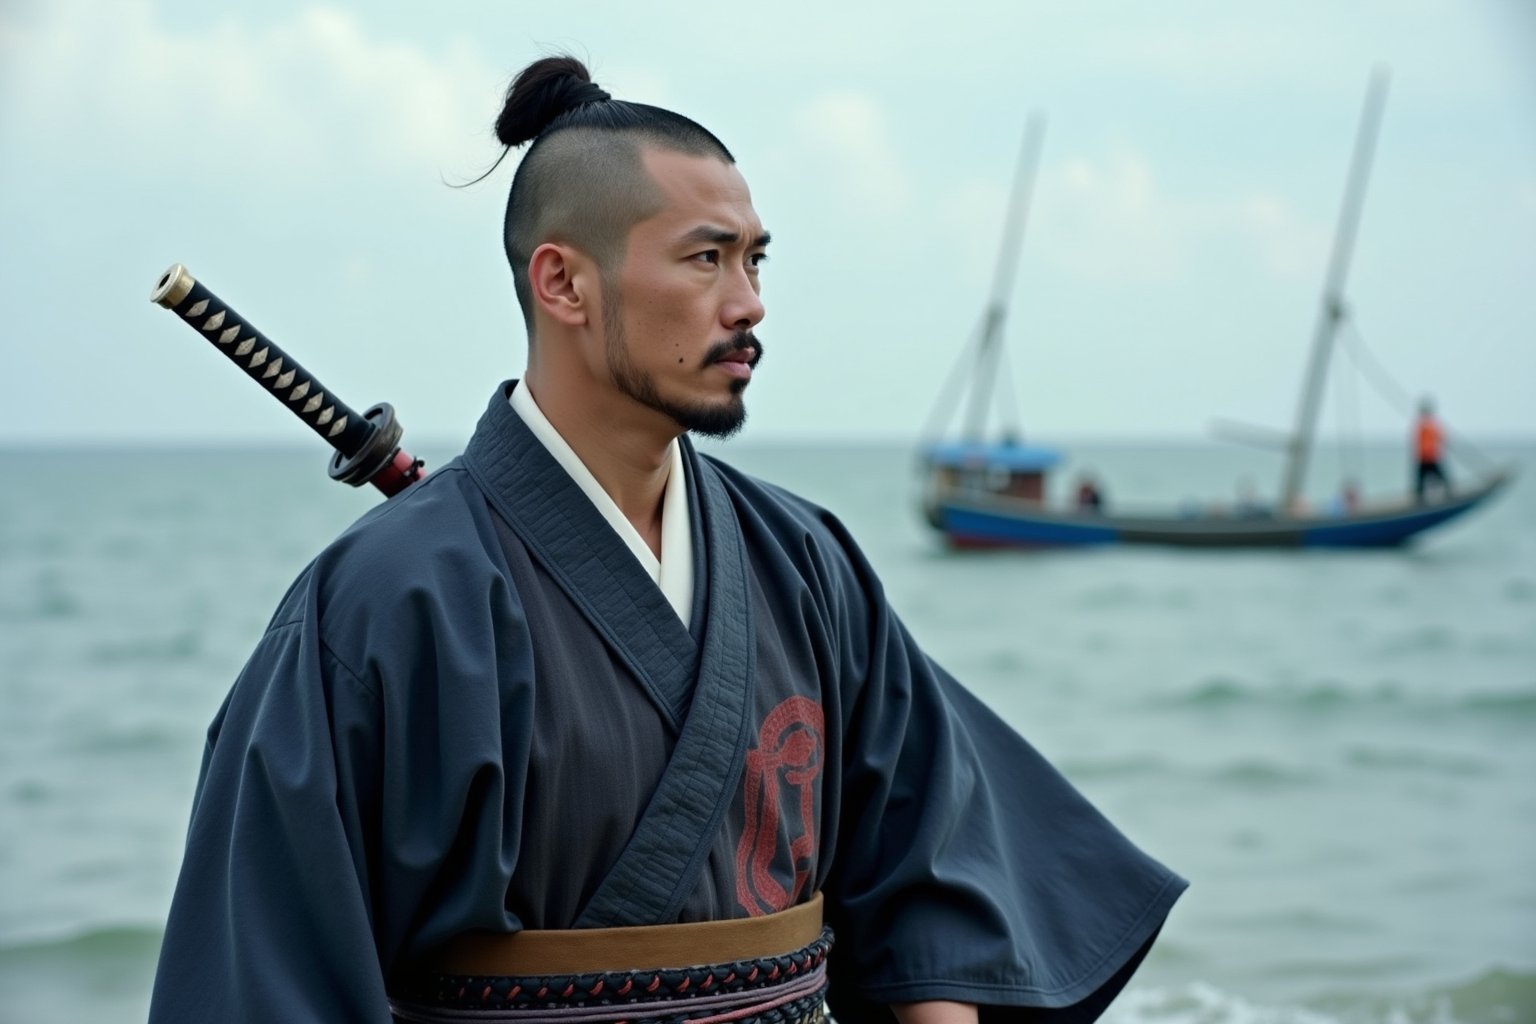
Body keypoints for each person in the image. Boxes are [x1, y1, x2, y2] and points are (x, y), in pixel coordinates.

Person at [148, 56, 1185, 1024]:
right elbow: (263, 975)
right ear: (563, 283)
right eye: (706, 260)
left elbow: (935, 880)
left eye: (754, 258)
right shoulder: (381, 607)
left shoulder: (803, 561)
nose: (750, 305)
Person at [1413, 398, 1451, 502]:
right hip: (1423, 457)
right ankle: (1419, 498)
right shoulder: (1421, 425)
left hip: (1431, 457)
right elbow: (1416, 441)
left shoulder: (1432, 425)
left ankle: (1448, 493)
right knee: (1420, 480)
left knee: (1440, 477)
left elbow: (1441, 437)